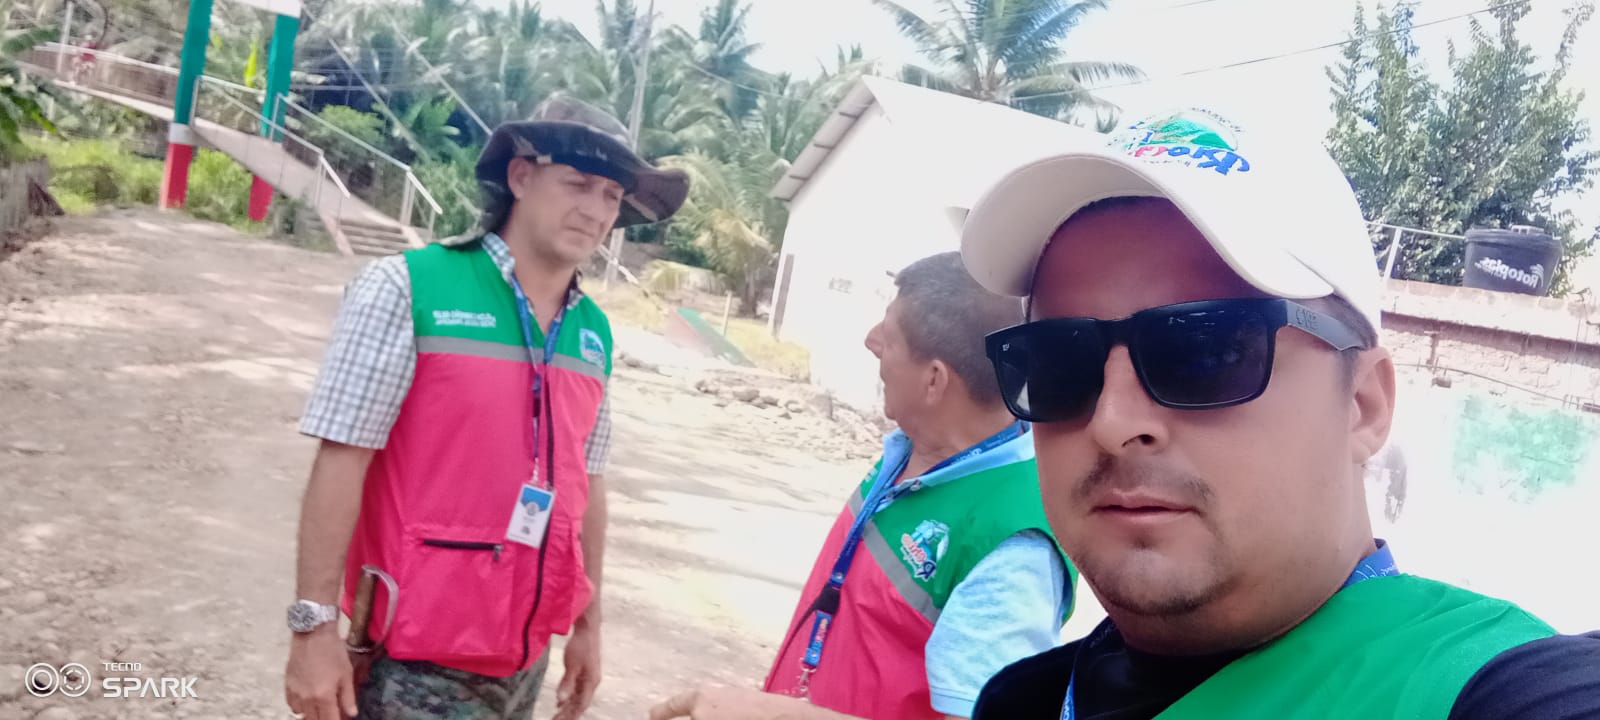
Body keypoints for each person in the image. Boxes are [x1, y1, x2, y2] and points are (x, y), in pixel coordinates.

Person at [954, 106, 1600, 718]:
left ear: (1363, 405)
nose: (1113, 423)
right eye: (1059, 361)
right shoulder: (1025, 699)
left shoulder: (1478, 686)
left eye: (1206, 350)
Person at [282, 95, 689, 720]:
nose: (596, 210)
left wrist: (588, 626)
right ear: (520, 177)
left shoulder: (593, 331)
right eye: (578, 183)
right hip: (408, 660)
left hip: (526, 659)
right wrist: (312, 632)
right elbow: (342, 459)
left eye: (612, 195)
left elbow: (587, 482)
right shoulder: (407, 288)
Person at [652, 252, 1078, 720]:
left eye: (890, 336)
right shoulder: (913, 450)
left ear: (934, 380)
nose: (870, 341)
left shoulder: (1012, 543)